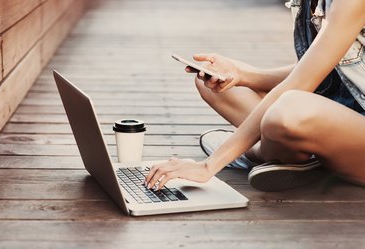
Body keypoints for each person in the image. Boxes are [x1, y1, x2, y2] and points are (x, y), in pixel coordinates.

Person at [145, 0, 365, 192]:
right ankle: (290, 156)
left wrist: (208, 166)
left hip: (354, 128)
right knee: (215, 83)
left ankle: (256, 153)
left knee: (288, 110)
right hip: (340, 116)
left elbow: (299, 84)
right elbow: (320, 70)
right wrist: (244, 76)